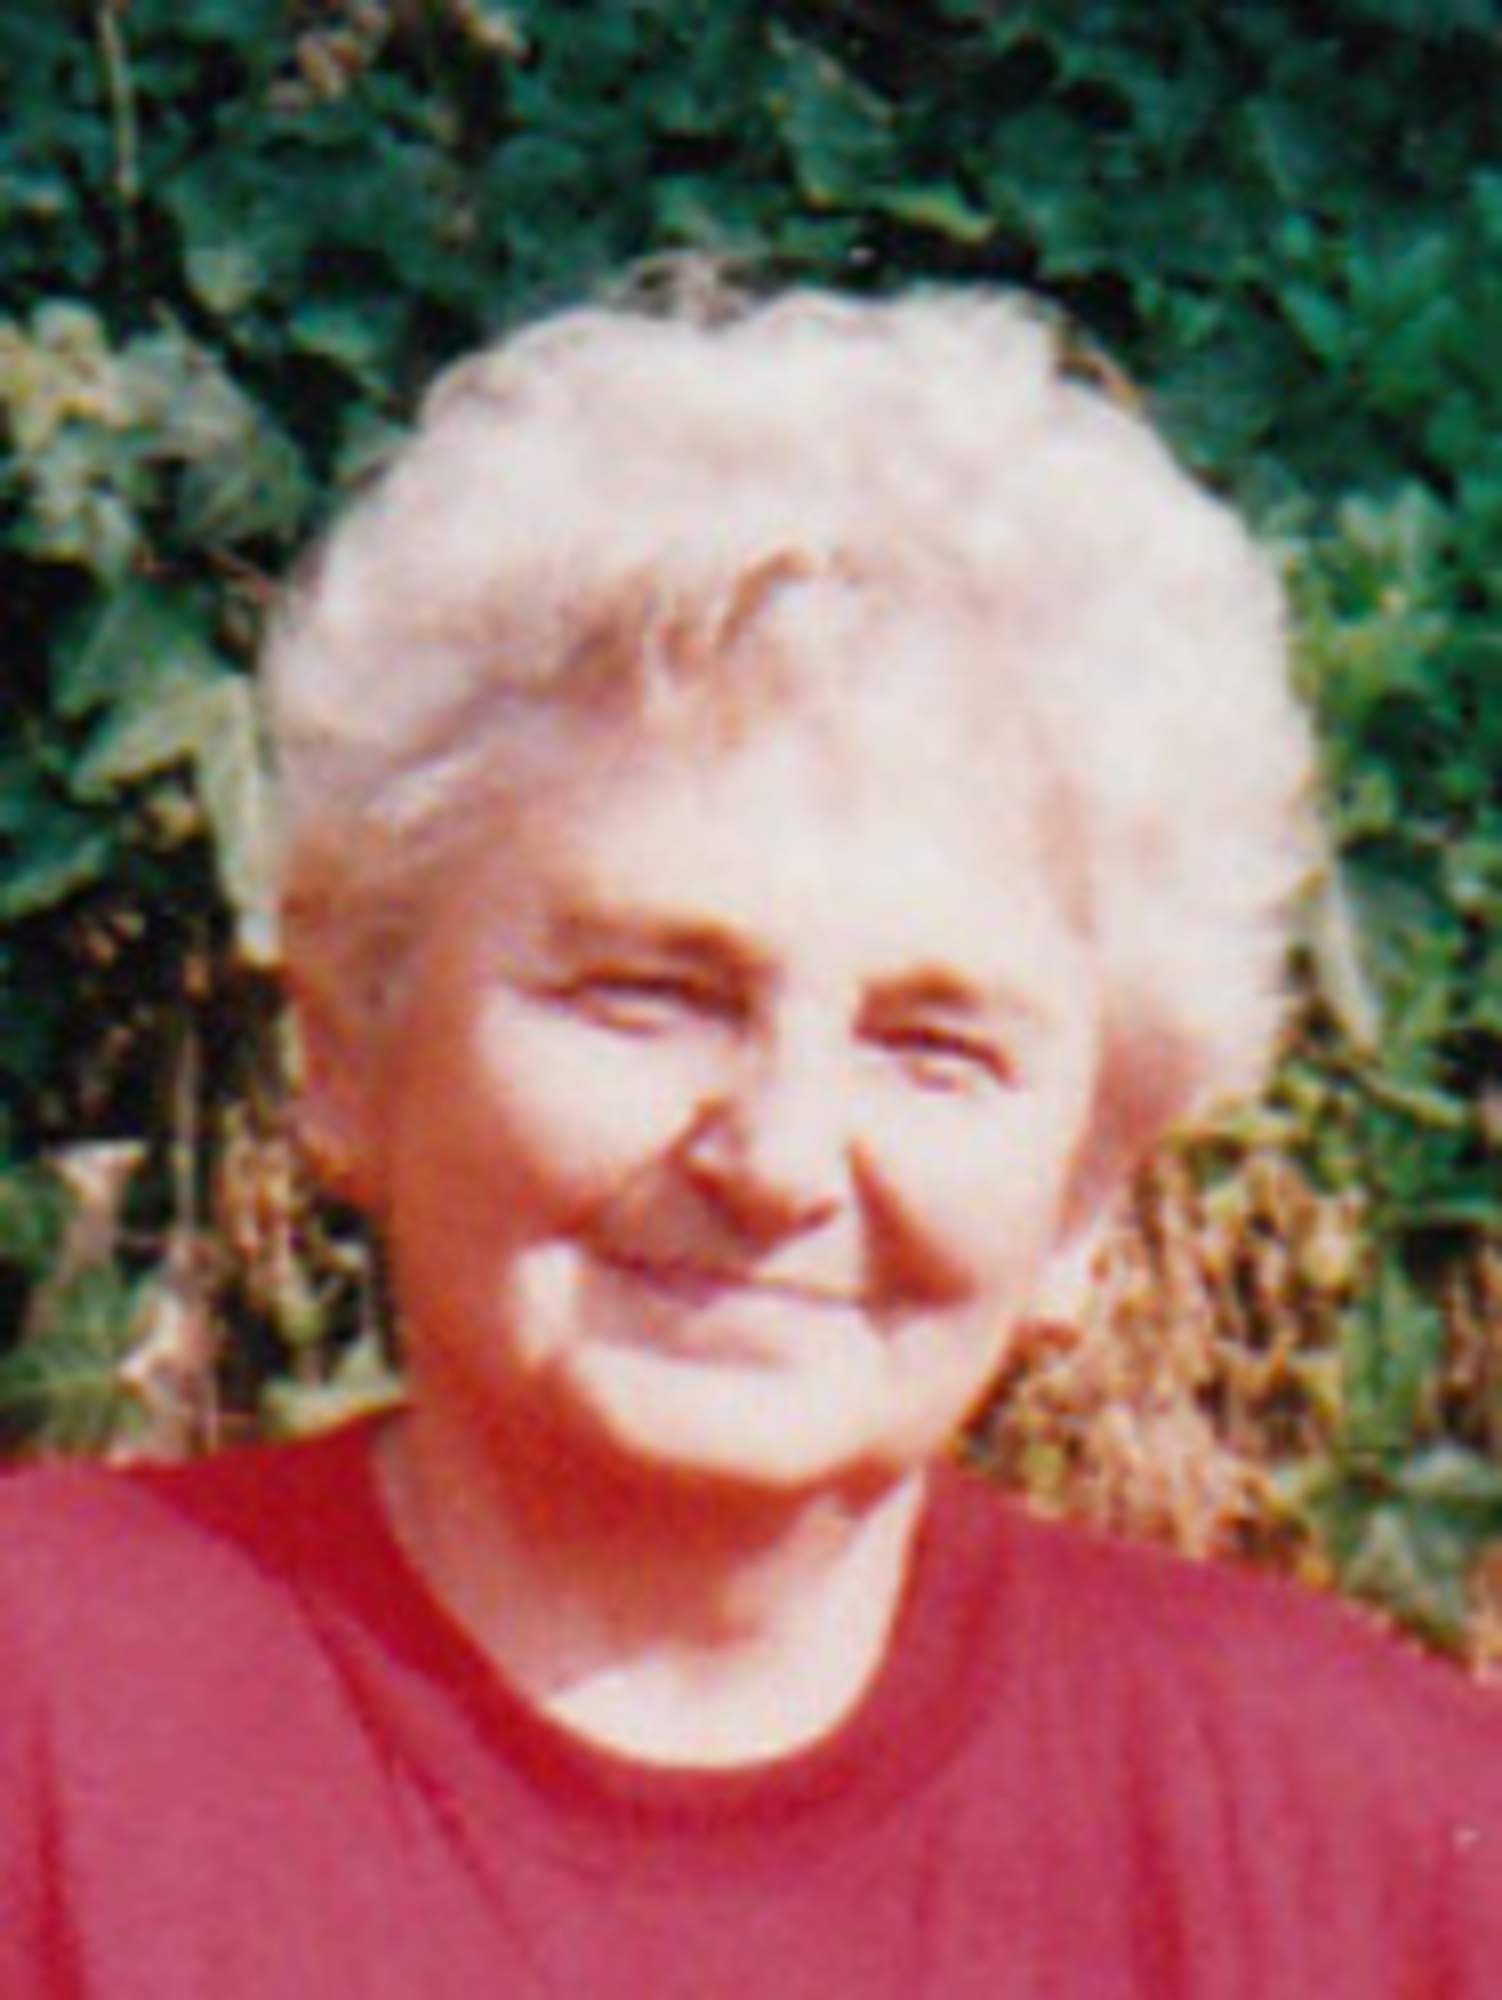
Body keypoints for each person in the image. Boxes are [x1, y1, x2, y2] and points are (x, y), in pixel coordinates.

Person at [1, 284, 1497, 1997]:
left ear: (1090, 1190)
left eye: (934, 1048)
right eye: (650, 995)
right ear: (344, 1046)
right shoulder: (43, 1720)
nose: (778, 1161)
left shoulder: (1374, 1863)